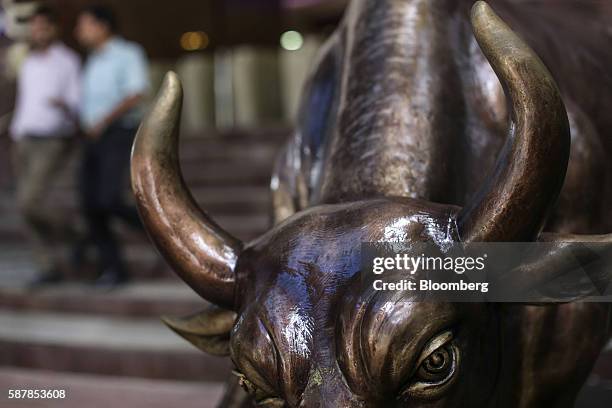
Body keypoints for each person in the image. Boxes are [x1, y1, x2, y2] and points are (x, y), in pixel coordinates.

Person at [75, 5, 149, 287]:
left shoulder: (127, 53)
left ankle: (158, 232)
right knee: (90, 204)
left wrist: (104, 120)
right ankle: (113, 269)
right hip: (92, 138)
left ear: (102, 26)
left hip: (118, 132)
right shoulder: (92, 61)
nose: (79, 32)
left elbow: (136, 93)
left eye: (84, 25)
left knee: (109, 198)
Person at [9, 6, 80, 285]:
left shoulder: (67, 60)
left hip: (51, 139)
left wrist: (62, 104)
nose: (37, 31)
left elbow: (76, 101)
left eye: (42, 26)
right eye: (34, 26)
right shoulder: (27, 62)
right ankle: (47, 265)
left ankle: (76, 234)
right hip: (23, 138)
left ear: (54, 28)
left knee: (30, 201)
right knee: (25, 206)